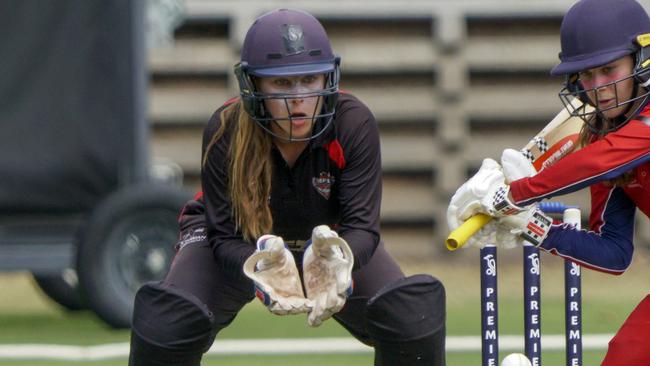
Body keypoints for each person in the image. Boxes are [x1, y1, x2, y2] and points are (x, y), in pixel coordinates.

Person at [128, 9, 446, 366]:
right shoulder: (224, 130)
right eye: (281, 83)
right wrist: (260, 263)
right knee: (165, 324)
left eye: (309, 79)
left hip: (329, 241)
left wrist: (334, 261)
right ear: (254, 85)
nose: (298, 98)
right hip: (241, 242)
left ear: (328, 77)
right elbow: (222, 237)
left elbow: (362, 230)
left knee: (410, 318)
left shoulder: (353, 122)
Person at [448, 0, 650, 364]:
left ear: (642, 60)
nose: (599, 87)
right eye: (587, 76)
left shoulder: (619, 145)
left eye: (608, 69)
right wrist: (533, 225)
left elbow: (603, 159)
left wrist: (511, 195)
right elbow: (616, 253)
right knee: (627, 356)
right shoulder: (607, 137)